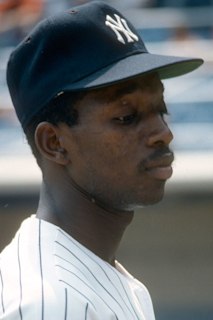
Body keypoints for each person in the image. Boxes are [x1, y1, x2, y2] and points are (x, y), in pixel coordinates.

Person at [0, 1, 203, 319]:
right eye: (126, 116)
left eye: (160, 108)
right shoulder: (48, 303)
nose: (163, 133)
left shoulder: (102, 278)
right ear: (55, 143)